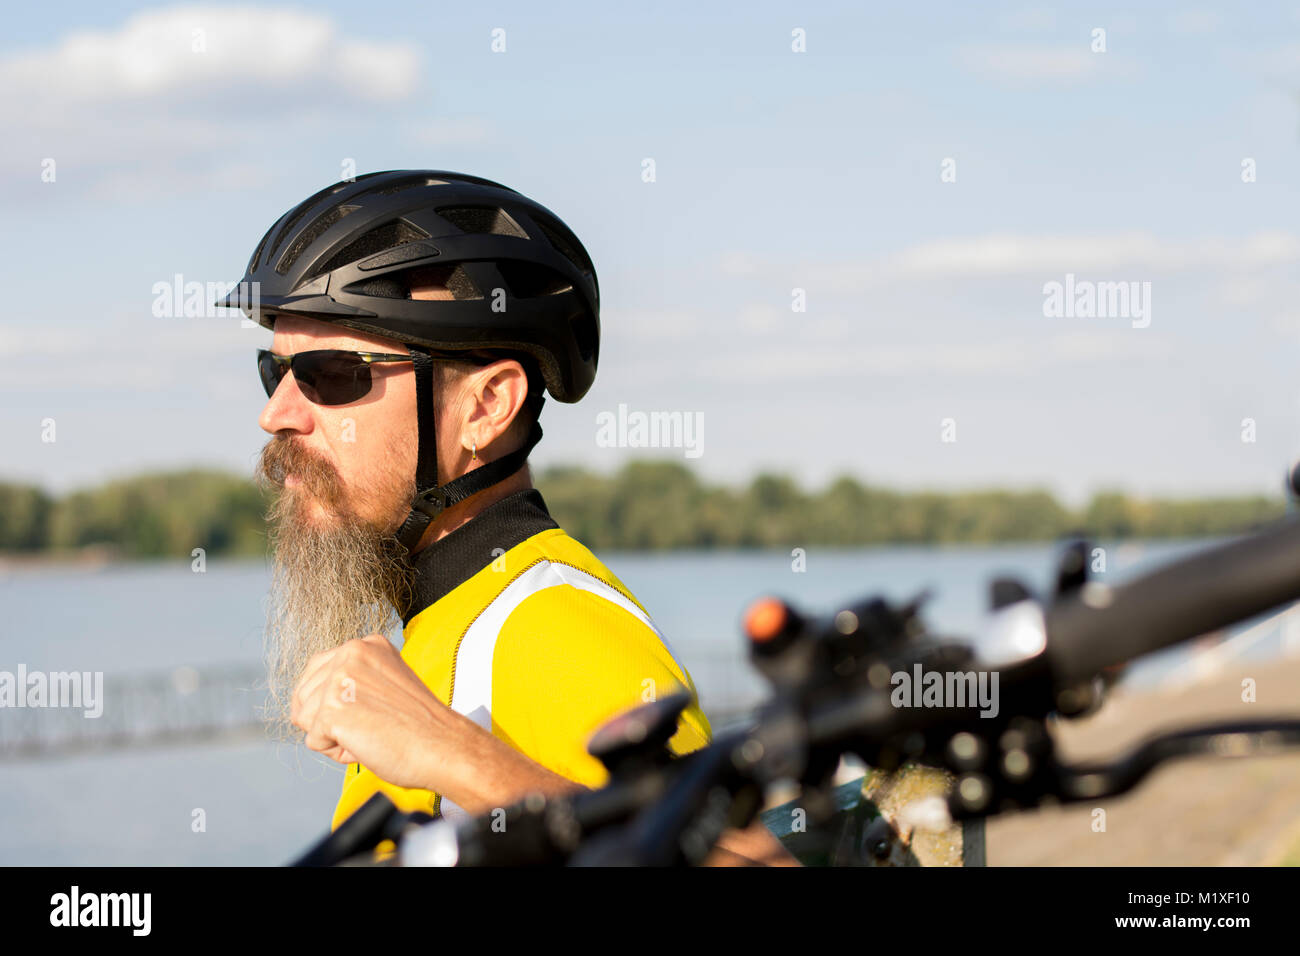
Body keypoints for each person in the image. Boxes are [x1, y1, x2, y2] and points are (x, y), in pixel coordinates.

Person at [218, 169, 794, 865]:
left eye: (334, 375)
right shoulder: (456, 618)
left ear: (487, 407)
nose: (276, 413)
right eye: (273, 371)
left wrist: (450, 752)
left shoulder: (548, 621)